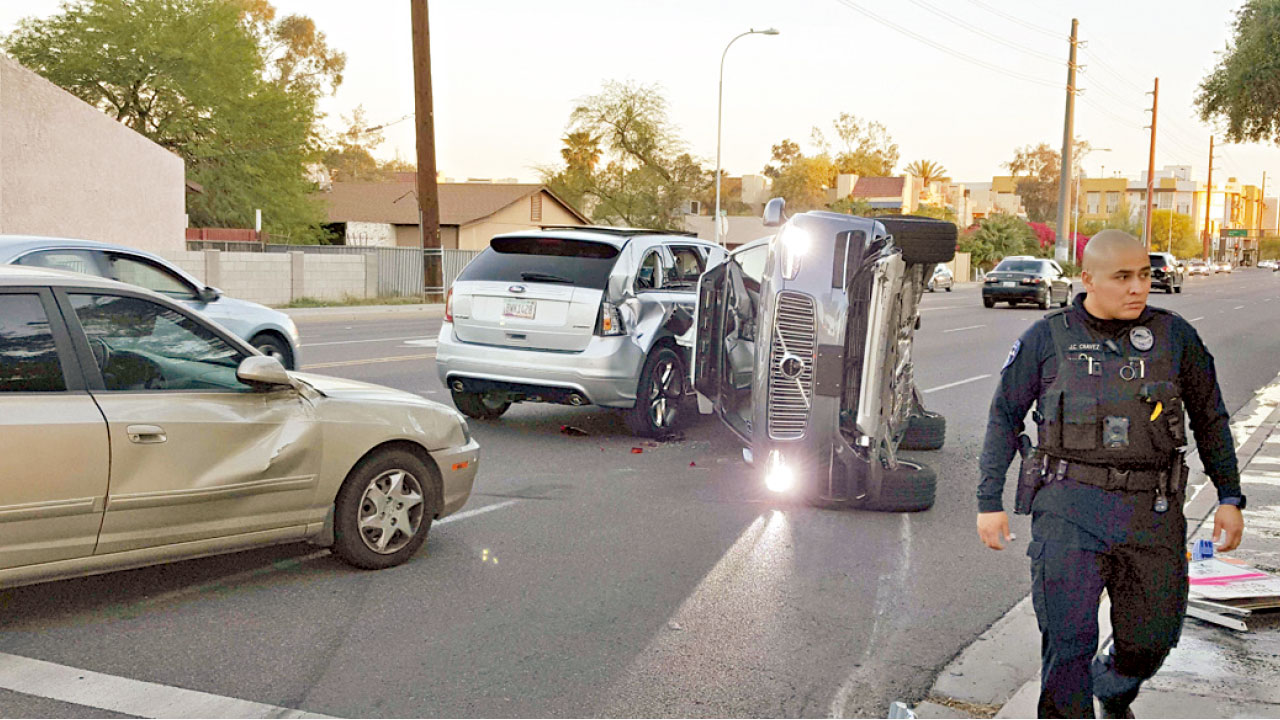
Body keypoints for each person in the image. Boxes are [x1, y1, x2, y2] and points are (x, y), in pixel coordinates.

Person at [975, 230, 1246, 718]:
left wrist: (1229, 494)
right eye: (1123, 277)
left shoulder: (1174, 336)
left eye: (1144, 275)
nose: (1138, 287)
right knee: (1068, 642)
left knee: (1151, 640)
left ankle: (1115, 684)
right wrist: (988, 501)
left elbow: (1210, 417)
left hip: (1151, 510)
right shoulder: (1047, 337)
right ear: (1088, 279)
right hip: (1068, 506)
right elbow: (1004, 418)